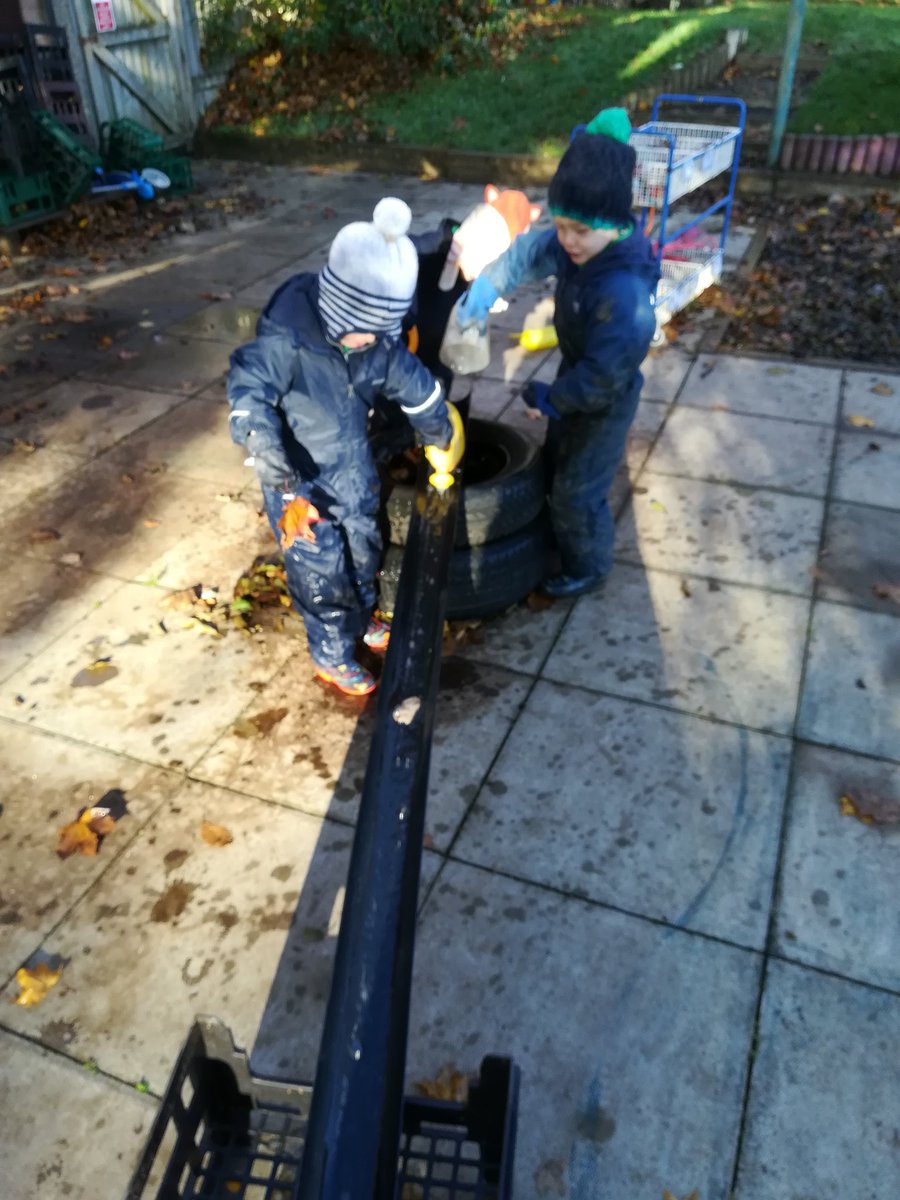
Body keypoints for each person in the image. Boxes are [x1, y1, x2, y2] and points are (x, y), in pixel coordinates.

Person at [228, 197, 464, 696]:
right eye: (367, 333)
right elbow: (249, 391)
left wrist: (437, 430)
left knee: (363, 545)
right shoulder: (287, 338)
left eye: (384, 333)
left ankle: (360, 620)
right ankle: (332, 653)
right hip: (298, 483)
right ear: (338, 308)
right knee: (322, 567)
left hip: (350, 468)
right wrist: (259, 440)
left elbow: (415, 386)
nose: (375, 343)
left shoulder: (375, 342)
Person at [457, 107, 660, 598]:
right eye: (562, 224)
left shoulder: (624, 293)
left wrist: (556, 398)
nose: (566, 240)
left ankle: (588, 565)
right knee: (555, 458)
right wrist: (487, 288)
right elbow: (531, 253)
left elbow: (605, 377)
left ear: (613, 224)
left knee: (577, 492)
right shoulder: (578, 241)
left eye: (579, 231)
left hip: (605, 394)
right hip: (579, 370)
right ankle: (561, 528)